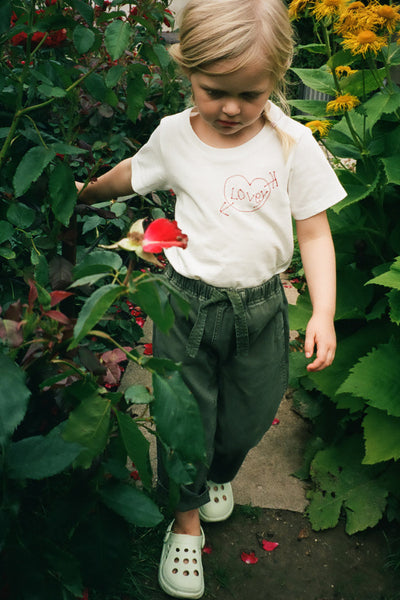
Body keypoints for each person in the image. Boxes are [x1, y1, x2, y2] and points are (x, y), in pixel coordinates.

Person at [76, 0, 346, 596]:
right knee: (185, 418)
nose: (230, 108)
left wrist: (322, 311)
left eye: (250, 95)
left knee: (247, 420)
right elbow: (133, 171)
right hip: (184, 305)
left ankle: (220, 472)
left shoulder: (292, 144)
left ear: (276, 79)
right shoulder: (175, 136)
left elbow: (315, 231)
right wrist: (88, 192)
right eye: (213, 90)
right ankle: (186, 520)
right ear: (188, 73)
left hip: (261, 309)